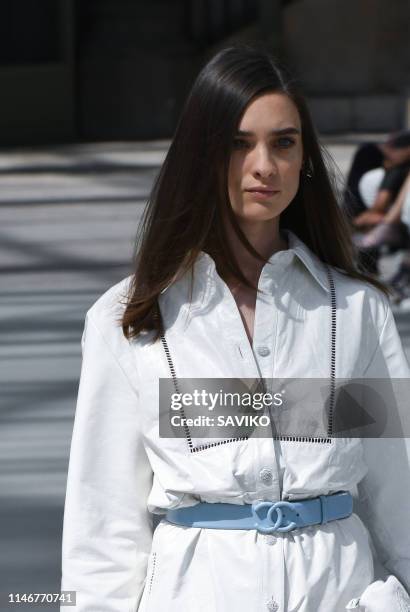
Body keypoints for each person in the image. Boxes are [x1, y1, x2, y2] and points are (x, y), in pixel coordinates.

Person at [60, 45, 410, 611]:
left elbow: (400, 493)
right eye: (238, 143)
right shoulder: (129, 321)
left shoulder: (357, 312)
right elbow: (103, 529)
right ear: (202, 155)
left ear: (306, 159)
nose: (264, 165)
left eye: (284, 142)